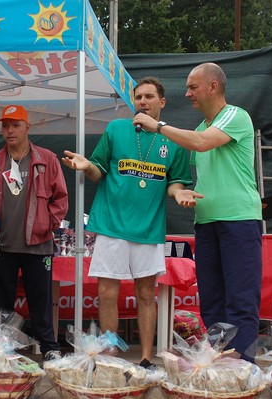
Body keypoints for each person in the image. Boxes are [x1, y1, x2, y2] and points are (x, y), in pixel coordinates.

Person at [62, 77, 196, 367]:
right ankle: (111, 354)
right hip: (111, 224)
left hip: (148, 229)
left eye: (149, 97)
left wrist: (180, 192)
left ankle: (147, 357)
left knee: (147, 294)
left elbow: (176, 183)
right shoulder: (116, 129)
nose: (143, 102)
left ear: (161, 102)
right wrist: (86, 167)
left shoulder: (174, 140)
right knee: (107, 292)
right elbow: (98, 169)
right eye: (138, 97)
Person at [133, 64, 263, 362]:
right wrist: (181, 191)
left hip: (239, 221)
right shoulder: (201, 128)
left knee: (240, 297)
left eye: (193, 87)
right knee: (212, 299)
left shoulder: (235, 115)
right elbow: (191, 151)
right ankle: (218, 359)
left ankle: (242, 365)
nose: (188, 93)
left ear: (213, 87)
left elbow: (202, 144)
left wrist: (159, 125)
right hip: (205, 223)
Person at [0, 104, 68, 362]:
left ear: (27, 127)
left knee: (41, 299)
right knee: (1, 301)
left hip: (39, 244)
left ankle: (49, 347)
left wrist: (49, 223)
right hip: (2, 245)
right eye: (5, 126)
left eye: (15, 125)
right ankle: (2, 348)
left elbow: (61, 199)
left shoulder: (46, 158)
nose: (10, 131)